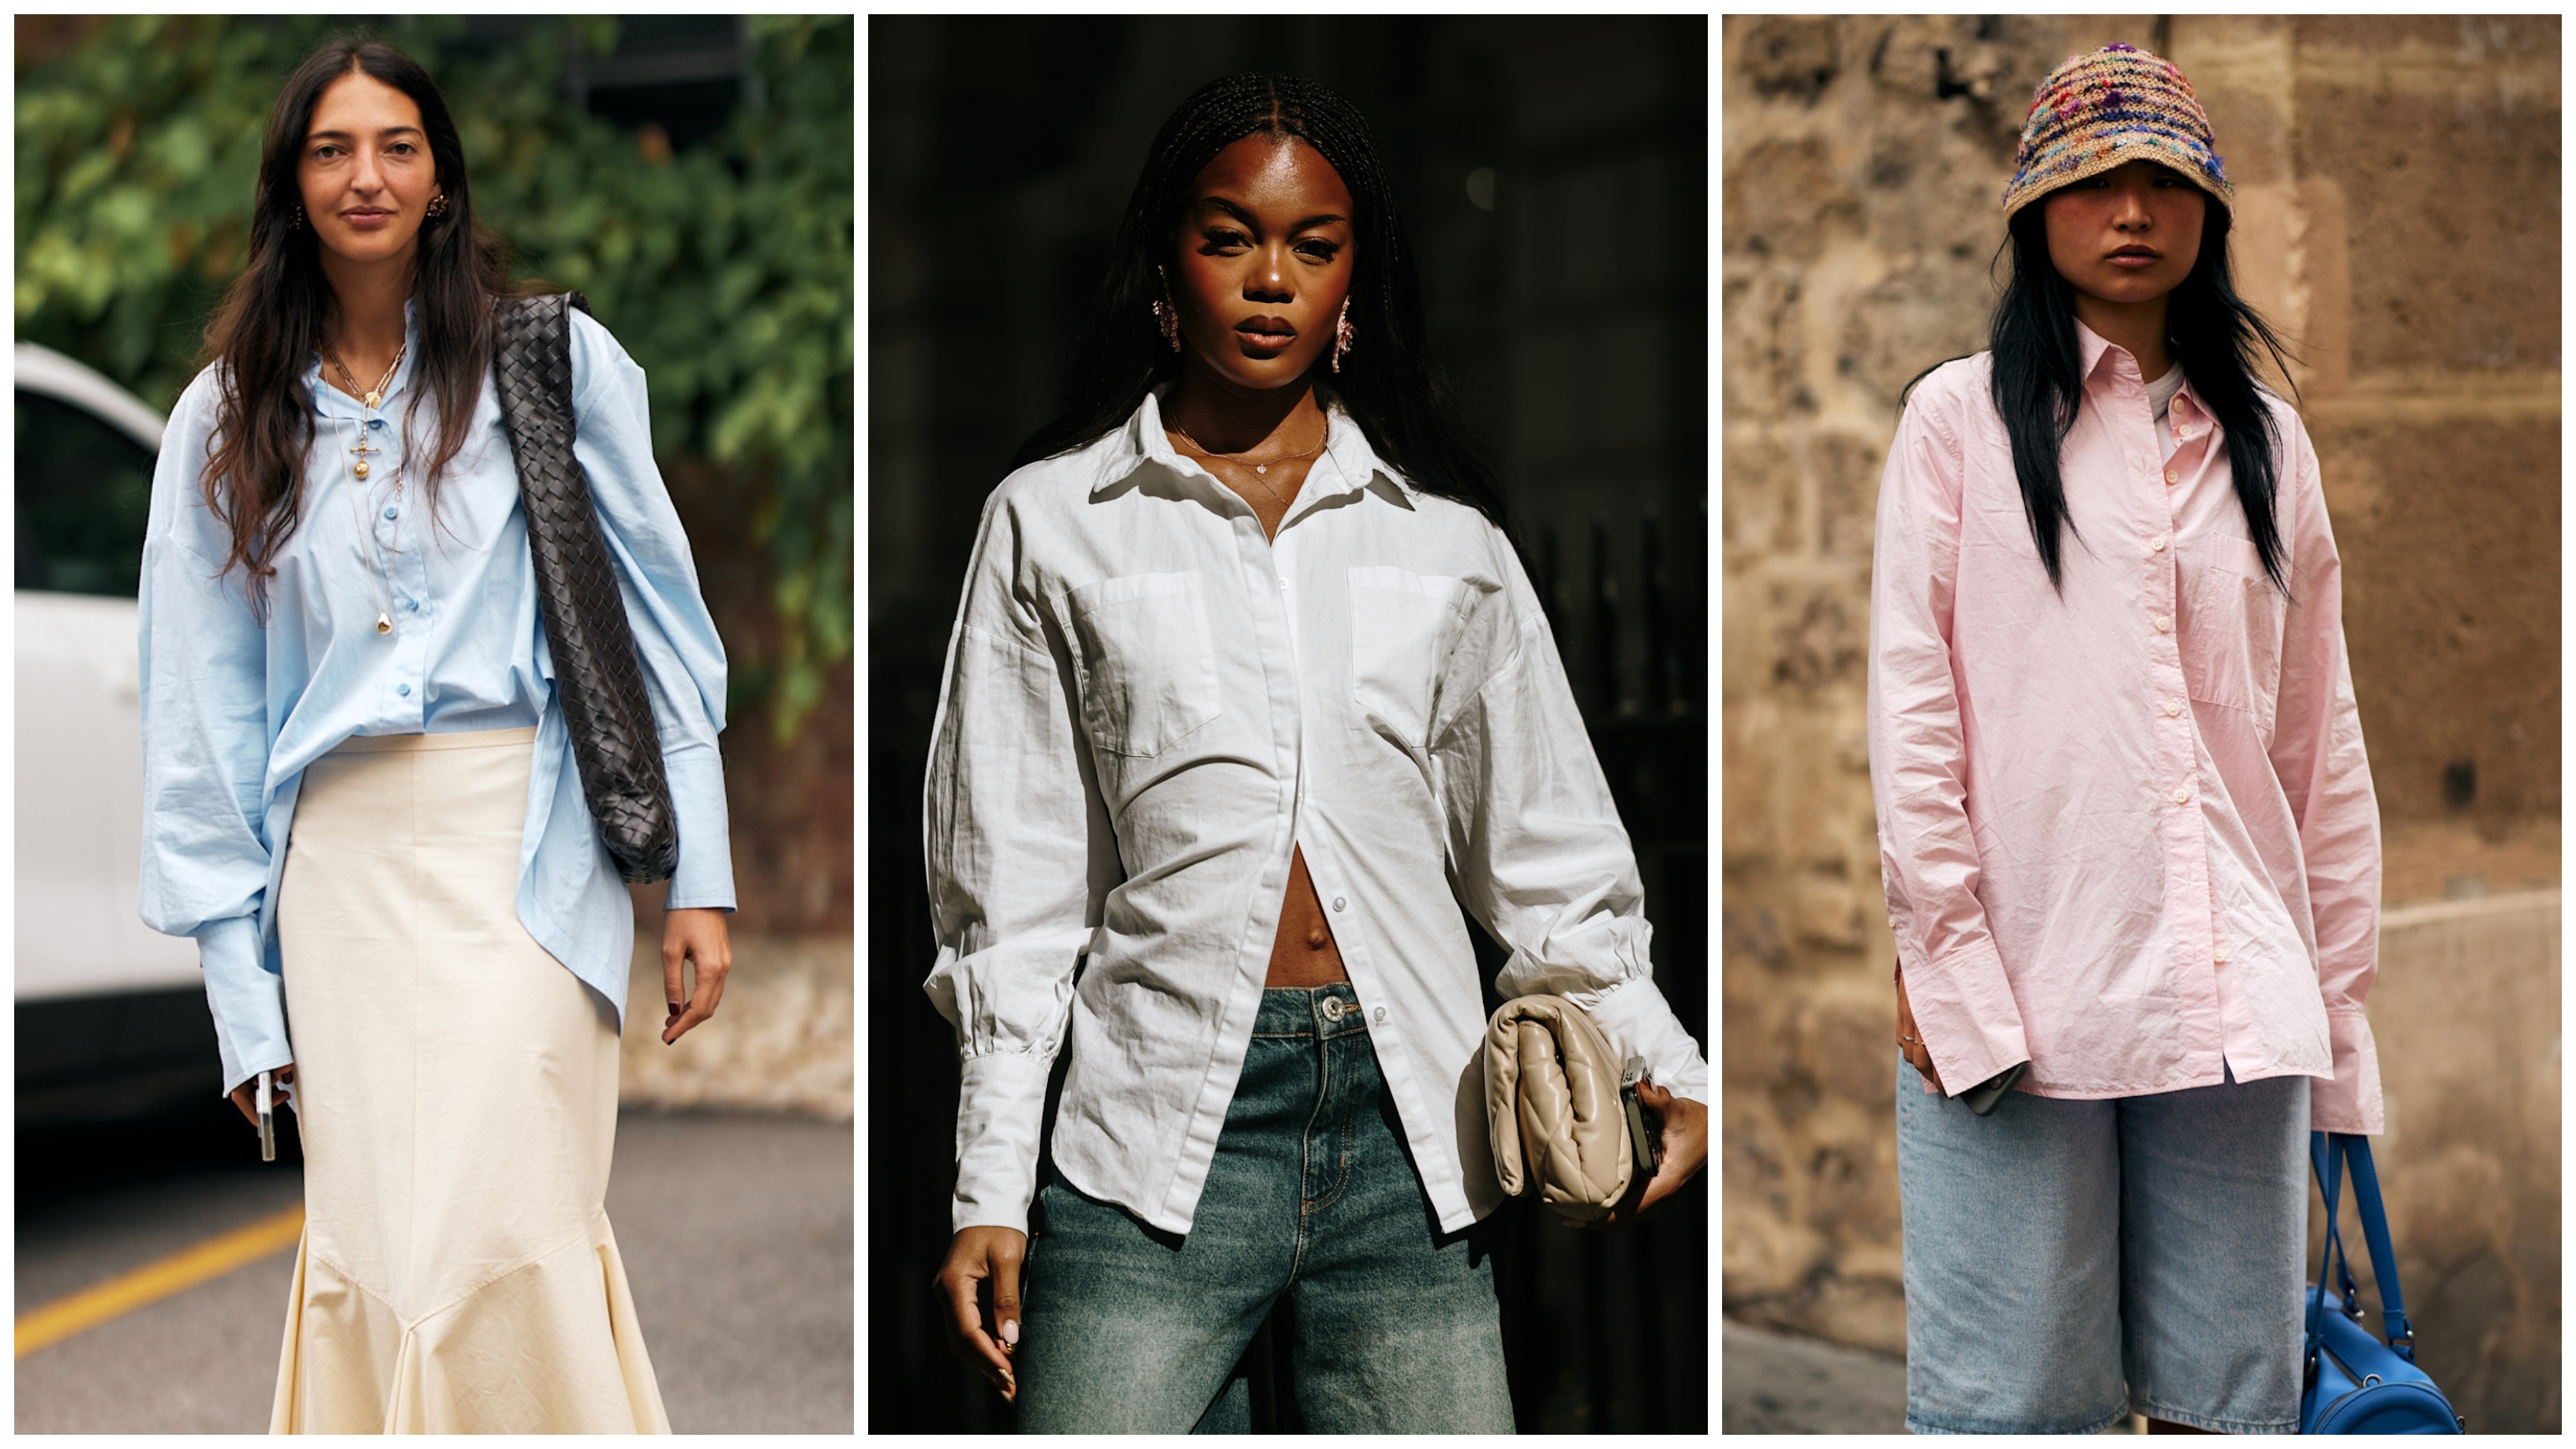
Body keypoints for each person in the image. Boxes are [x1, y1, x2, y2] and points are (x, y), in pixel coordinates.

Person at [922, 72, 1709, 1432]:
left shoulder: (1447, 544)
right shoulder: (1051, 524)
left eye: (1313, 245)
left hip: (1415, 1134)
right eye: (1230, 237)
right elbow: (1016, 889)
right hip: (1151, 1133)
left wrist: (1664, 1053)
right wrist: (989, 1184)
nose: (1271, 279)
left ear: (1356, 280)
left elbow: (1546, 853)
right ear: (1167, 264)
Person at [137, 39, 735, 1433]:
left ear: (442, 181)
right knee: (385, 1253)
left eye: (398, 145)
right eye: (334, 148)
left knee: (508, 1232)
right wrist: (242, 994)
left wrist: (694, 874)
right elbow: (201, 726)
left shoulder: (554, 364)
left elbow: (661, 627)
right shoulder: (223, 420)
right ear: (294, 183)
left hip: (522, 844)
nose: (368, 175)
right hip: (338, 876)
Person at [1870, 44, 2383, 1436]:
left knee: (2234, 1403)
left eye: (2165, 180)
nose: (2134, 210)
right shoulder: (1958, 426)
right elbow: (1915, 711)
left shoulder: (2268, 442)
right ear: (2039, 210)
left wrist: (2336, 1014)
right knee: (2010, 1405)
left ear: (2209, 211)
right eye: (2097, 181)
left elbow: (2315, 738)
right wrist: (1948, 958)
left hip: (2233, 1004)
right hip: (2027, 991)